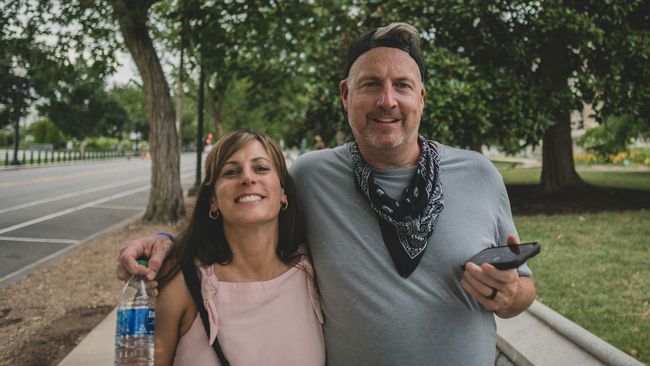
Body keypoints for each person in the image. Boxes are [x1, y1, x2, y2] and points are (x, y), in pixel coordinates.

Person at [118, 22, 536, 365]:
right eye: (371, 84)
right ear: (345, 95)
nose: (386, 100)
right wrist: (167, 243)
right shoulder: (311, 176)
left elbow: (522, 289)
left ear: (421, 98)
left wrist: (513, 294)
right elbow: (245, 213)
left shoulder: (479, 173)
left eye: (402, 86)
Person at [150, 130, 324, 365]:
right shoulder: (181, 282)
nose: (247, 178)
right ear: (213, 200)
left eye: (261, 168)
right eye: (231, 172)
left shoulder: (314, 269)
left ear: (283, 192)